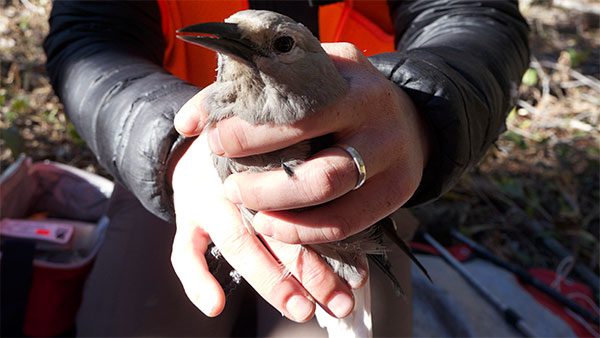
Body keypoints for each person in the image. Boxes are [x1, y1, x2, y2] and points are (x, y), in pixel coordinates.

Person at [44, 0, 529, 336]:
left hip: (366, 169)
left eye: (276, 45)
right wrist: (170, 148)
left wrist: (420, 112)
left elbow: (474, 17)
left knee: (346, 319)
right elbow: (89, 39)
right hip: (171, 169)